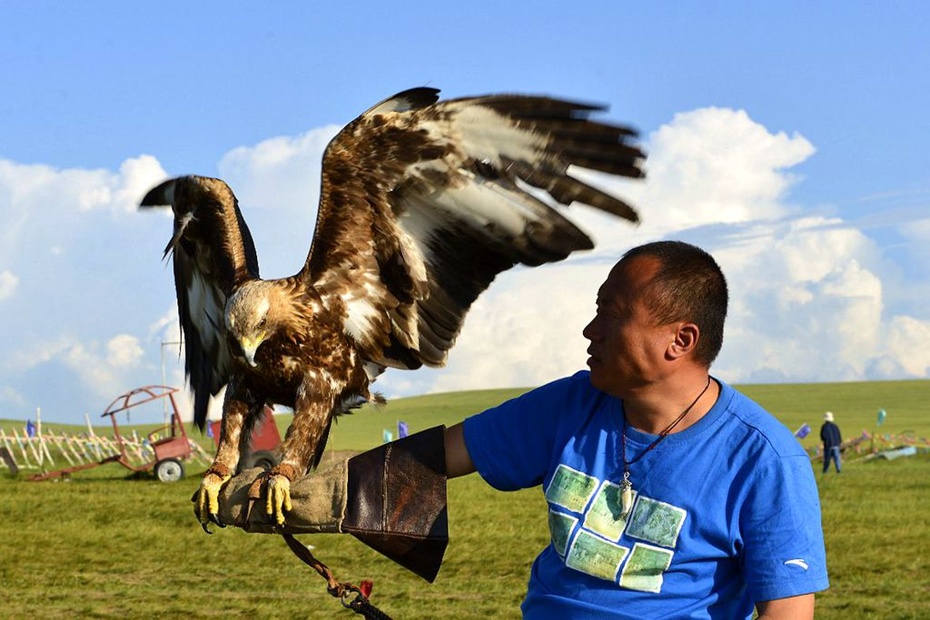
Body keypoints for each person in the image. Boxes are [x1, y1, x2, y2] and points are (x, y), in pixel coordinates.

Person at [444, 240, 829, 619]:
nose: (590, 330)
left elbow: (787, 610)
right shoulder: (570, 404)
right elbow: (436, 456)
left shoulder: (764, 459)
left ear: (681, 340)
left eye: (611, 314)